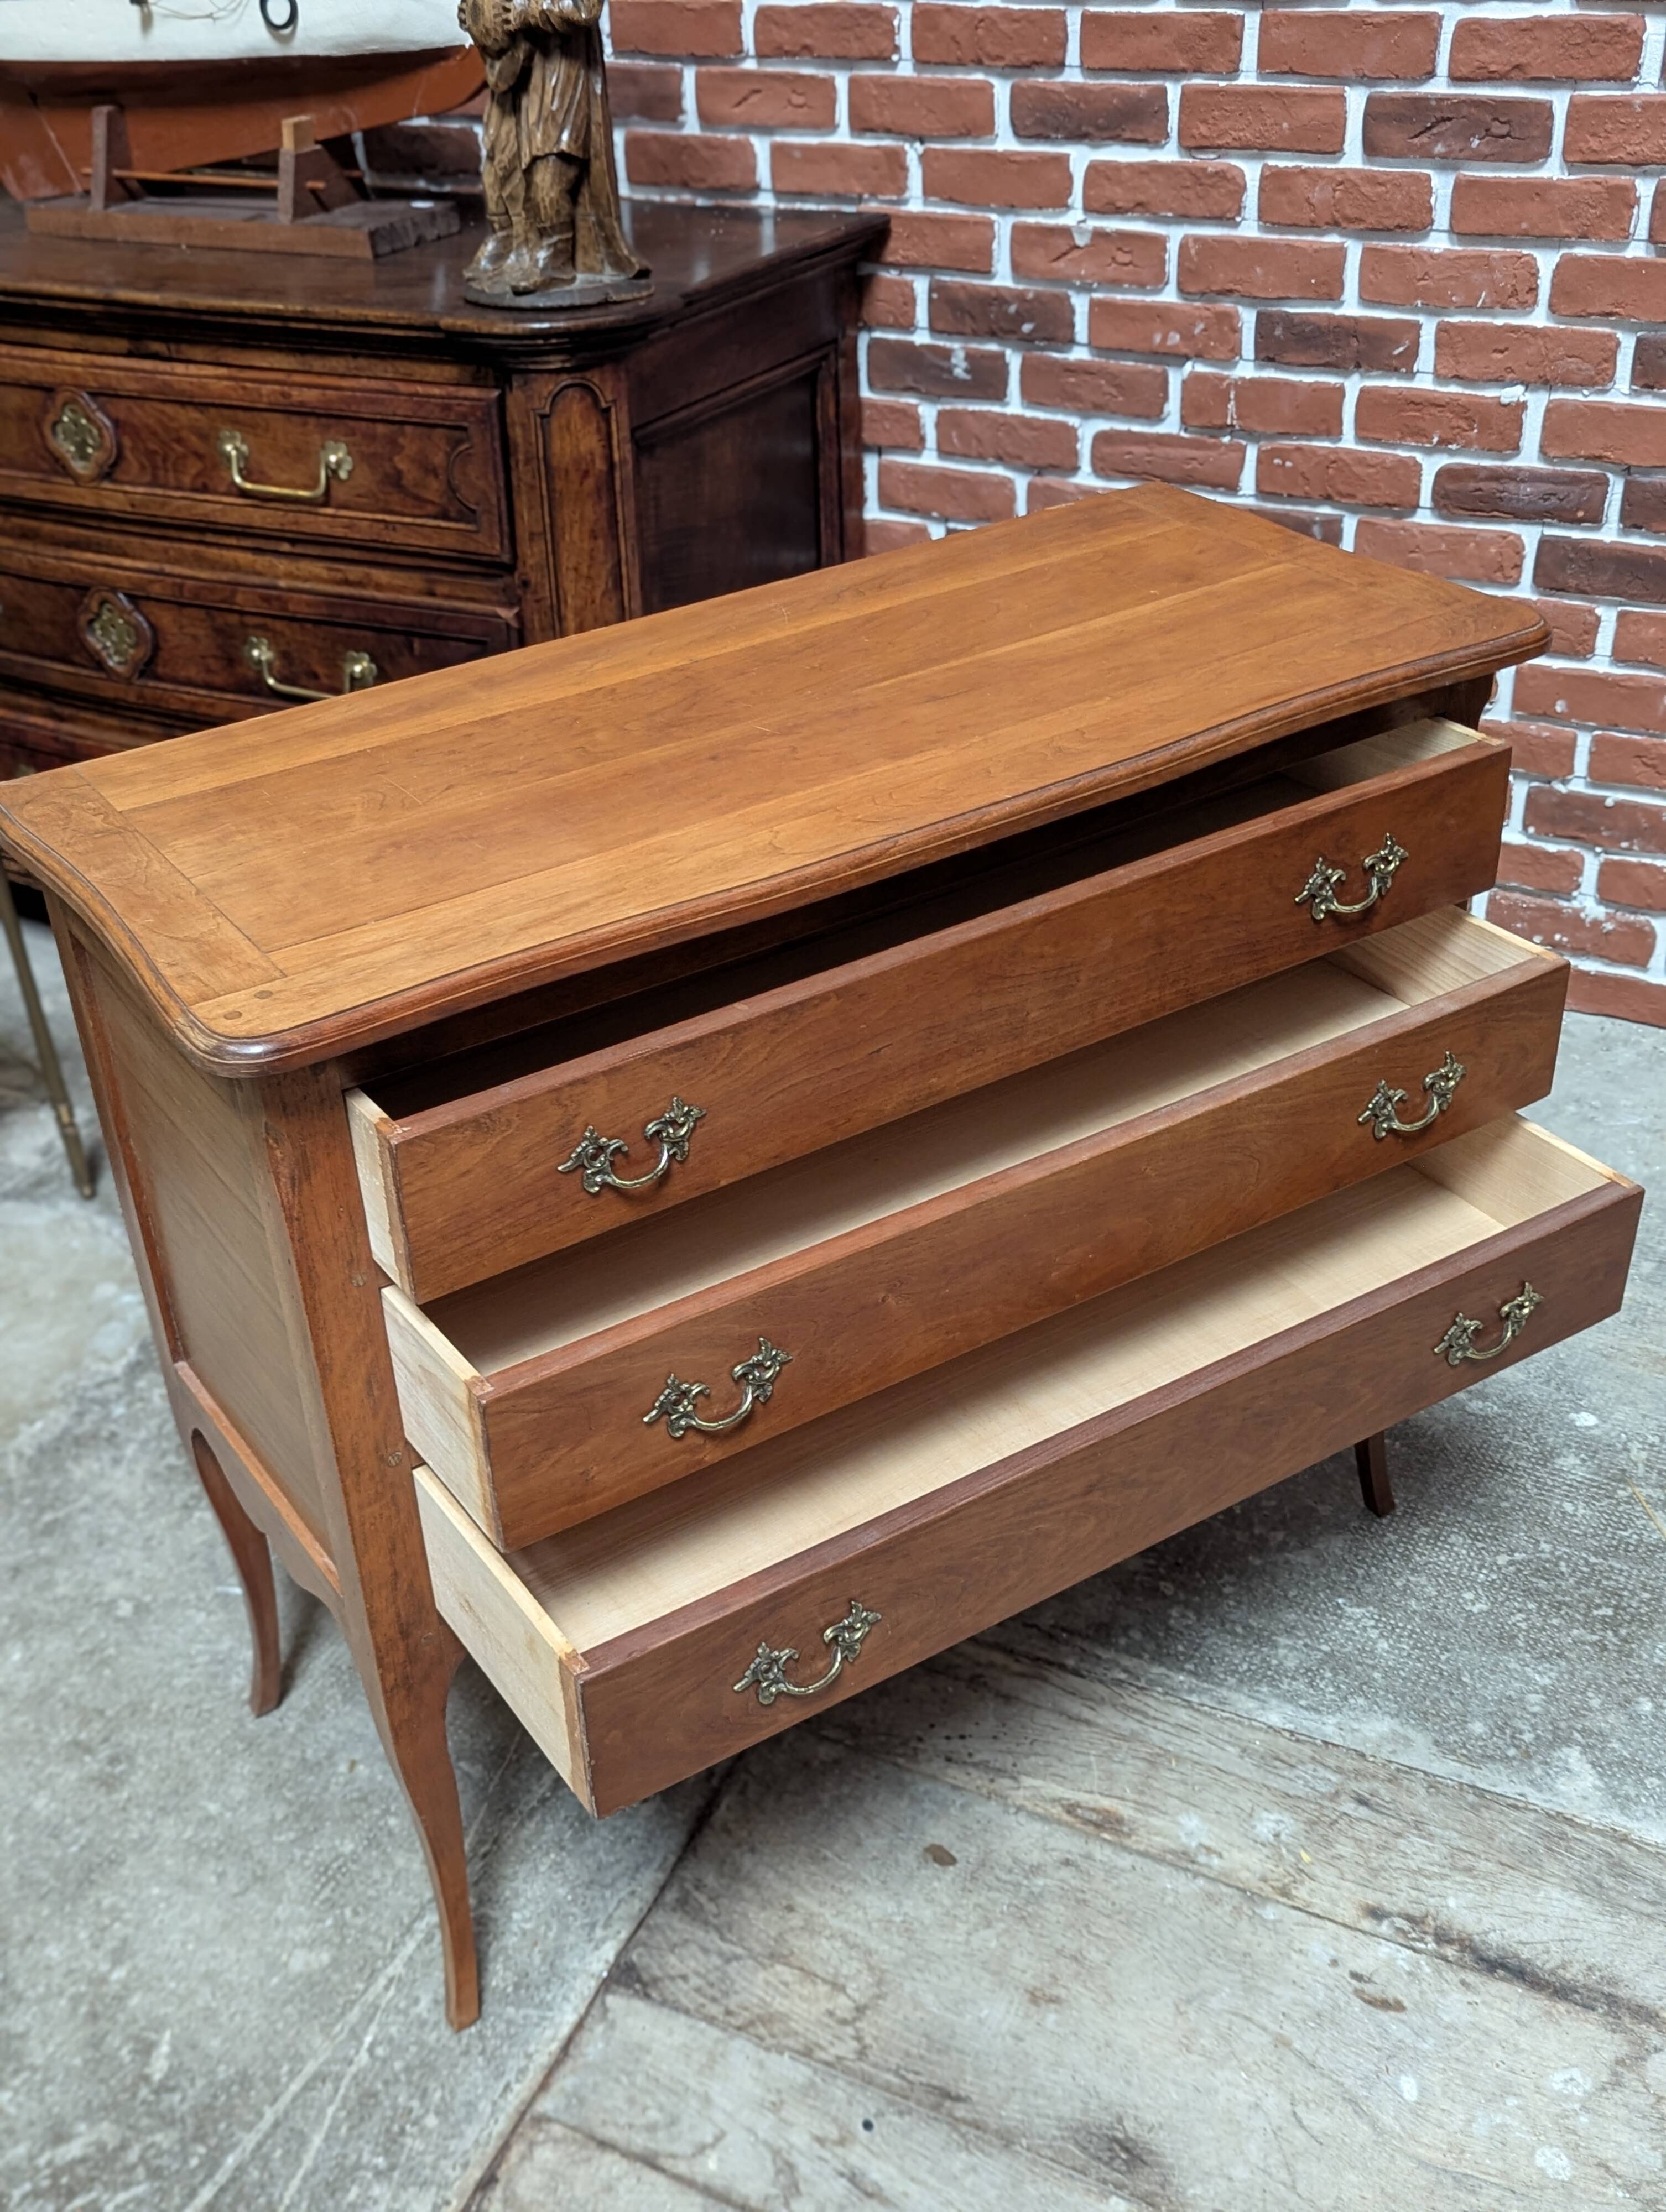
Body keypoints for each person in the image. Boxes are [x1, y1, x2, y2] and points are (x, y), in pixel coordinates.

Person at [459, 0, 644, 296]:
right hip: (514, 71)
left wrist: (526, 12)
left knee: (550, 173)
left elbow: (584, 8)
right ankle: (513, 241)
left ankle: (553, 256)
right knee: (499, 169)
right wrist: (477, 16)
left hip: (560, 69)